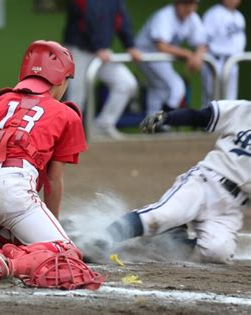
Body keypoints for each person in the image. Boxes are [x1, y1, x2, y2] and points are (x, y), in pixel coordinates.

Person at [0, 40, 105, 290]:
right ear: (59, 80)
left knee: (7, 223)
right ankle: (9, 263)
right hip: (12, 190)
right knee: (66, 255)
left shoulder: (1, 100)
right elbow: (54, 181)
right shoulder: (66, 113)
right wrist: (52, 225)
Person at [97, 100, 250, 264]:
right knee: (161, 216)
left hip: (232, 207)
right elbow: (198, 117)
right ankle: (100, 239)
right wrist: (167, 118)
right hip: (205, 181)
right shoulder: (242, 110)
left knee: (218, 252)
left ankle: (172, 238)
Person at [63, 0, 141, 139]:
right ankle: (67, 138)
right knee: (76, 97)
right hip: (79, 50)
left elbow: (121, 20)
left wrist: (130, 45)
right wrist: (97, 46)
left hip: (101, 51)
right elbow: (85, 21)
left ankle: (103, 126)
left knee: (126, 83)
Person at [135, 0, 208, 114]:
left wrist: (197, 57)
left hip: (161, 58)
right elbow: (161, 46)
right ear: (177, 3)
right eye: (186, 4)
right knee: (176, 87)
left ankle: (152, 125)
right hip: (147, 54)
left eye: (193, 4)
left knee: (159, 89)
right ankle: (163, 121)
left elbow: (202, 44)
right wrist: (188, 54)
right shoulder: (164, 16)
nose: (189, 8)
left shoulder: (192, 18)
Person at [201, 0, 246, 105]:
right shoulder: (213, 14)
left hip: (232, 62)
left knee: (230, 101)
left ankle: (226, 122)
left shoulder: (239, 16)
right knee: (211, 102)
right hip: (215, 61)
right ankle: (209, 122)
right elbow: (203, 40)